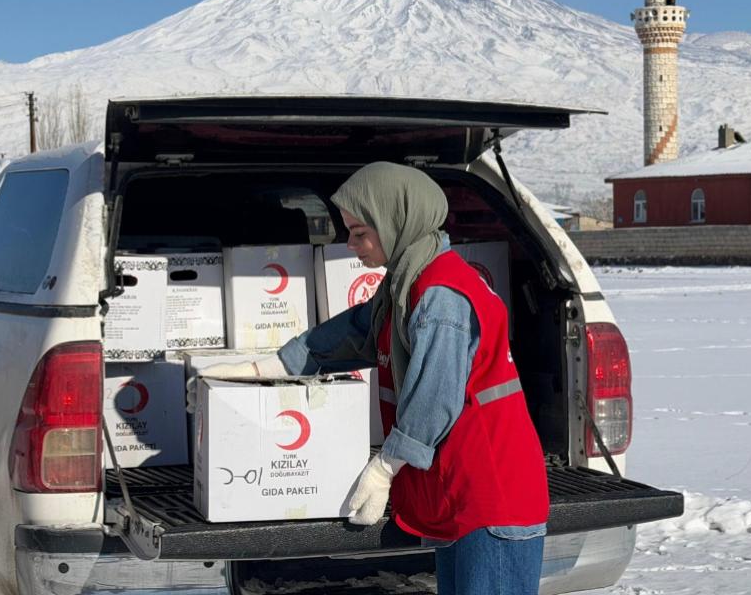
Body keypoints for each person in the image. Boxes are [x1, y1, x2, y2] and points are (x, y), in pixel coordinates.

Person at [200, 162, 550, 595]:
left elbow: (433, 399)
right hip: (460, 494)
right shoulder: (407, 284)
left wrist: (385, 467)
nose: (350, 245)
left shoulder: (441, 295)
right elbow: (355, 331)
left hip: (494, 497)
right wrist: (272, 367)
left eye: (360, 233)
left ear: (396, 222)